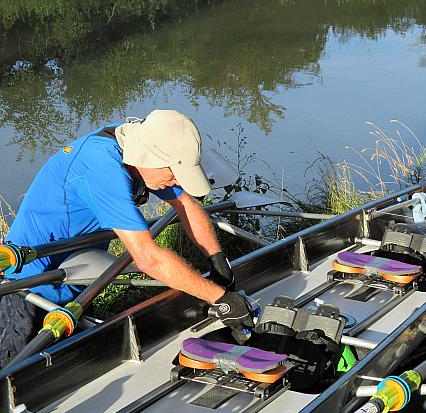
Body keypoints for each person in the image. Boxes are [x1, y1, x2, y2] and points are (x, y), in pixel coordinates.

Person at [0, 110, 252, 367]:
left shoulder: (136, 144)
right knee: (16, 374)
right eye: (174, 174)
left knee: (72, 367)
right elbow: (148, 259)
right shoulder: (102, 169)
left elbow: (185, 205)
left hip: (79, 277)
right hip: (29, 287)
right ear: (151, 158)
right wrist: (221, 299)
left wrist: (217, 259)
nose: (175, 182)